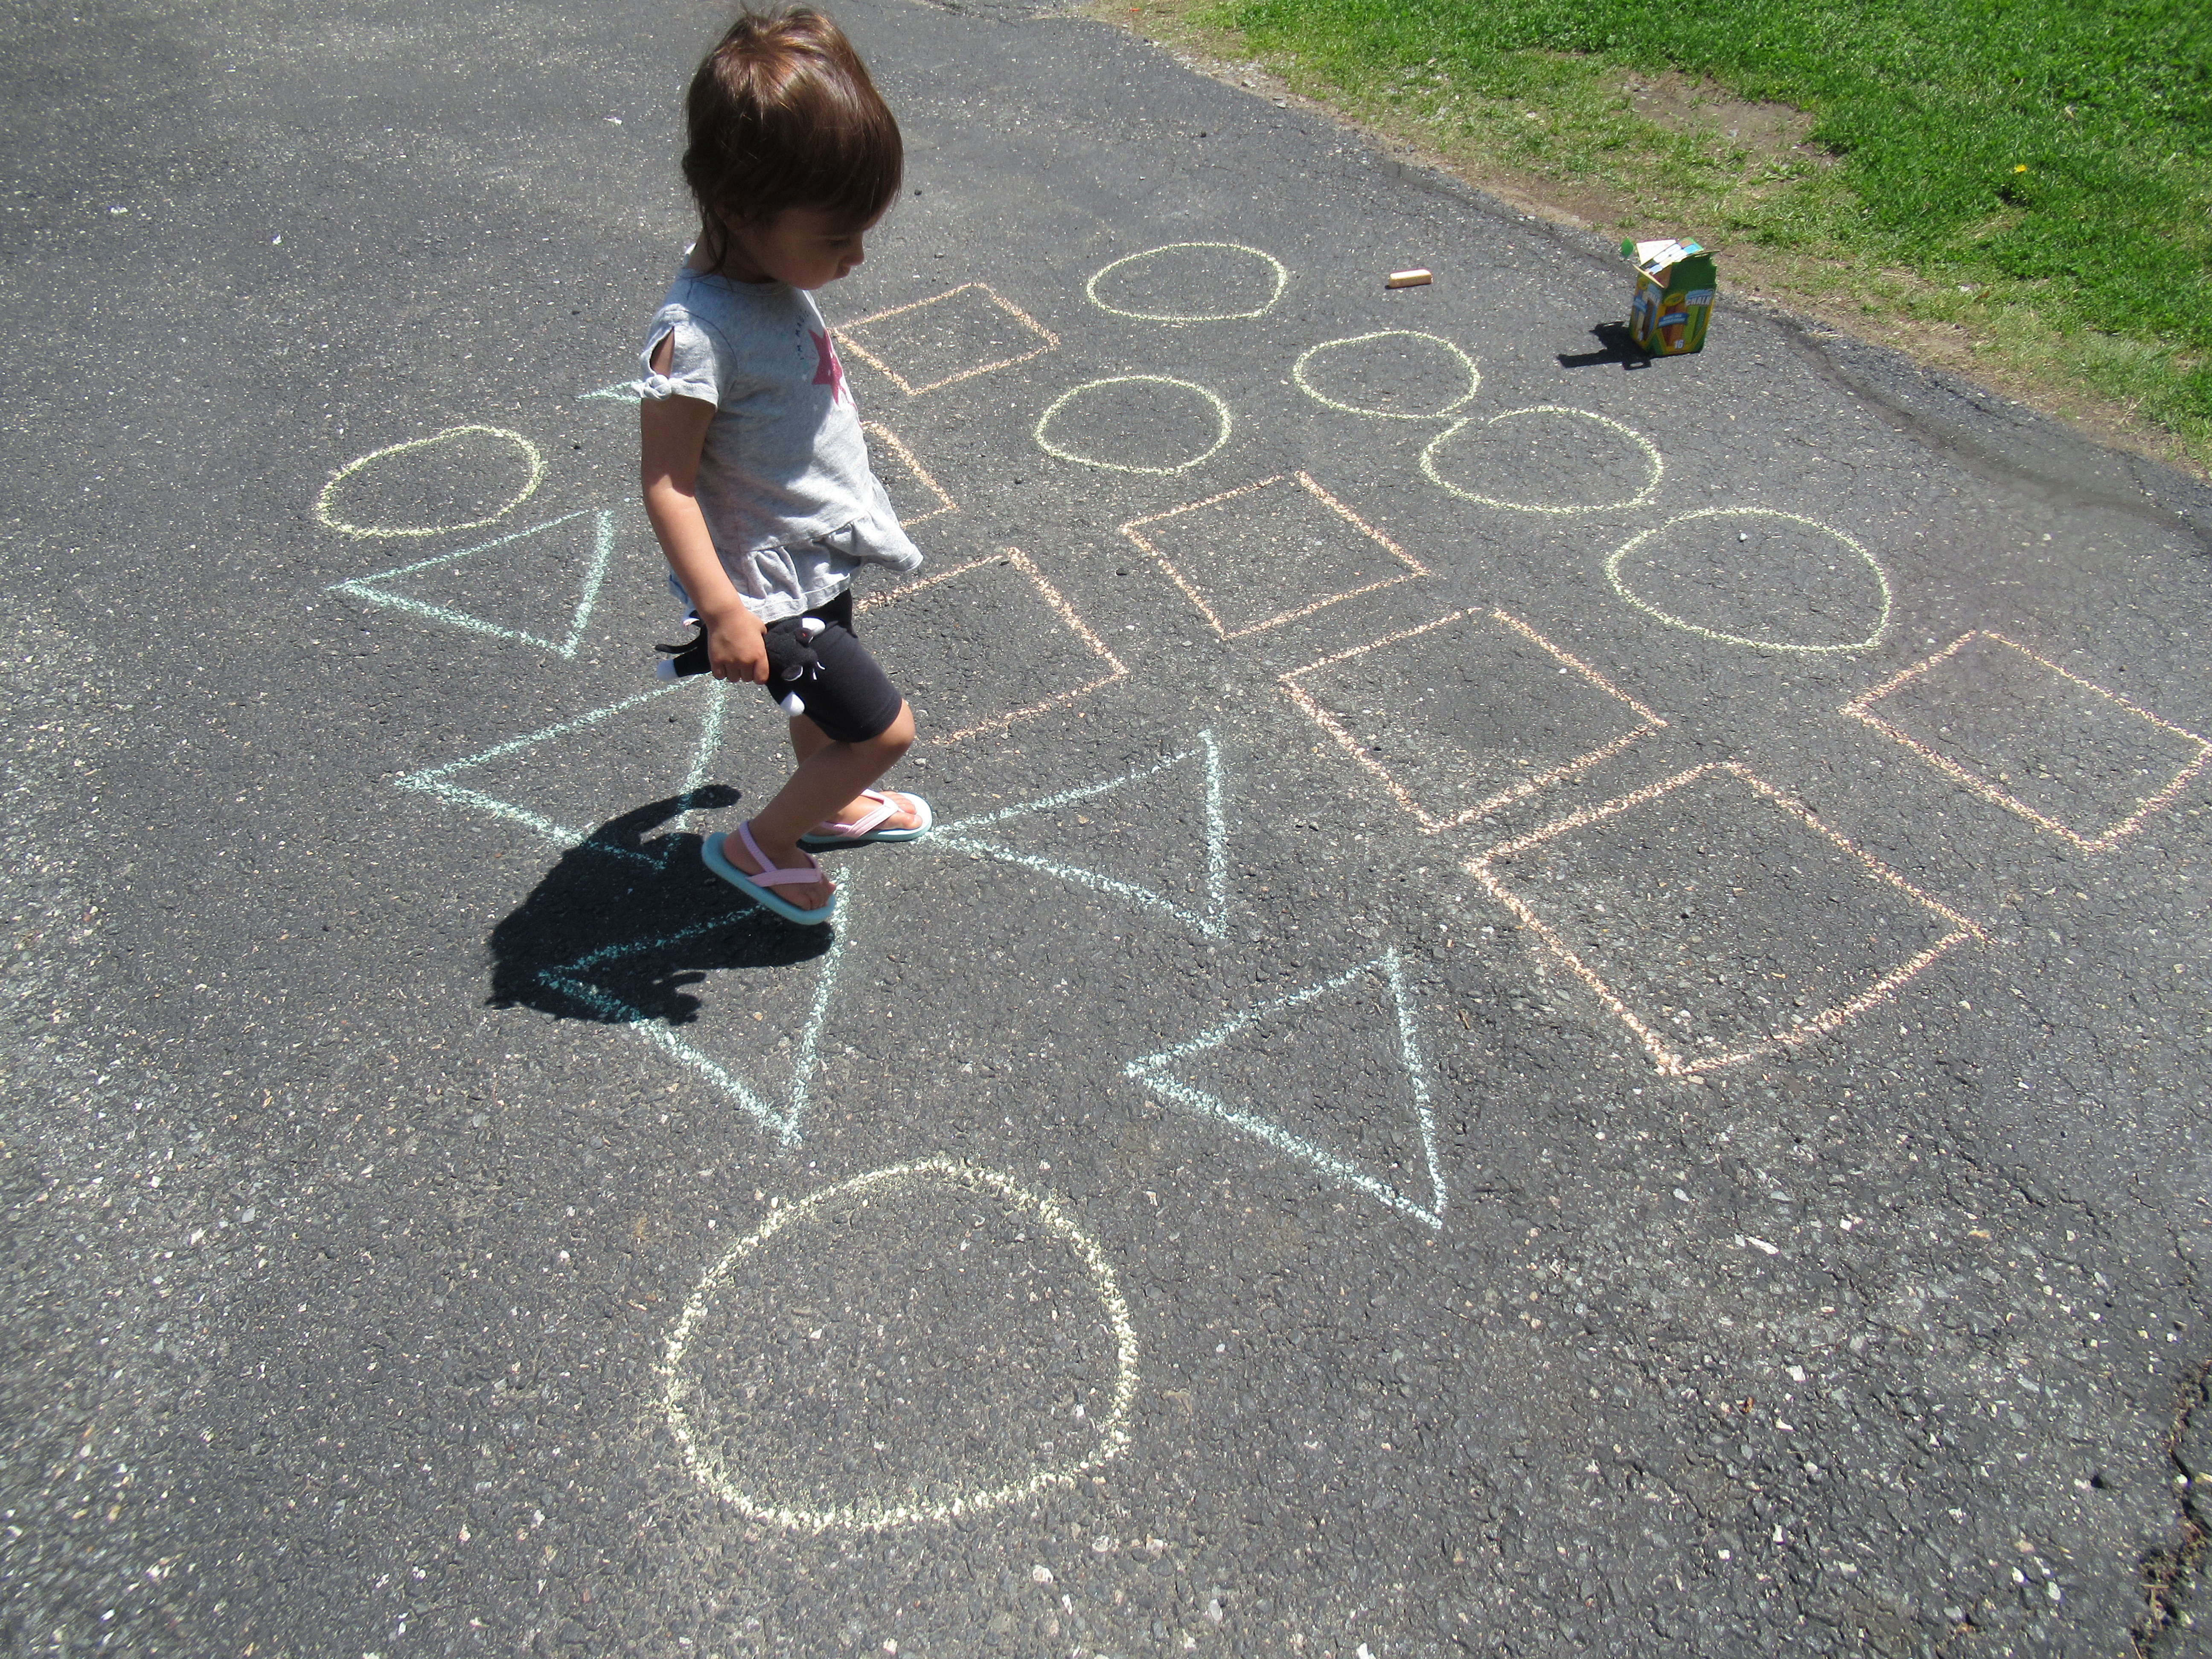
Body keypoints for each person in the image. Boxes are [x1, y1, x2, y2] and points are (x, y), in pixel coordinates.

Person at [637, 6, 929, 928]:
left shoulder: (763, 268)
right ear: (738, 210)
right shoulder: (696, 338)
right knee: (884, 731)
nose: (854, 258)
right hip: (767, 590)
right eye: (834, 239)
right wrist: (724, 612)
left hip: (808, 551)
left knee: (823, 713)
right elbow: (666, 482)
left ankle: (831, 803)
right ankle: (762, 846)